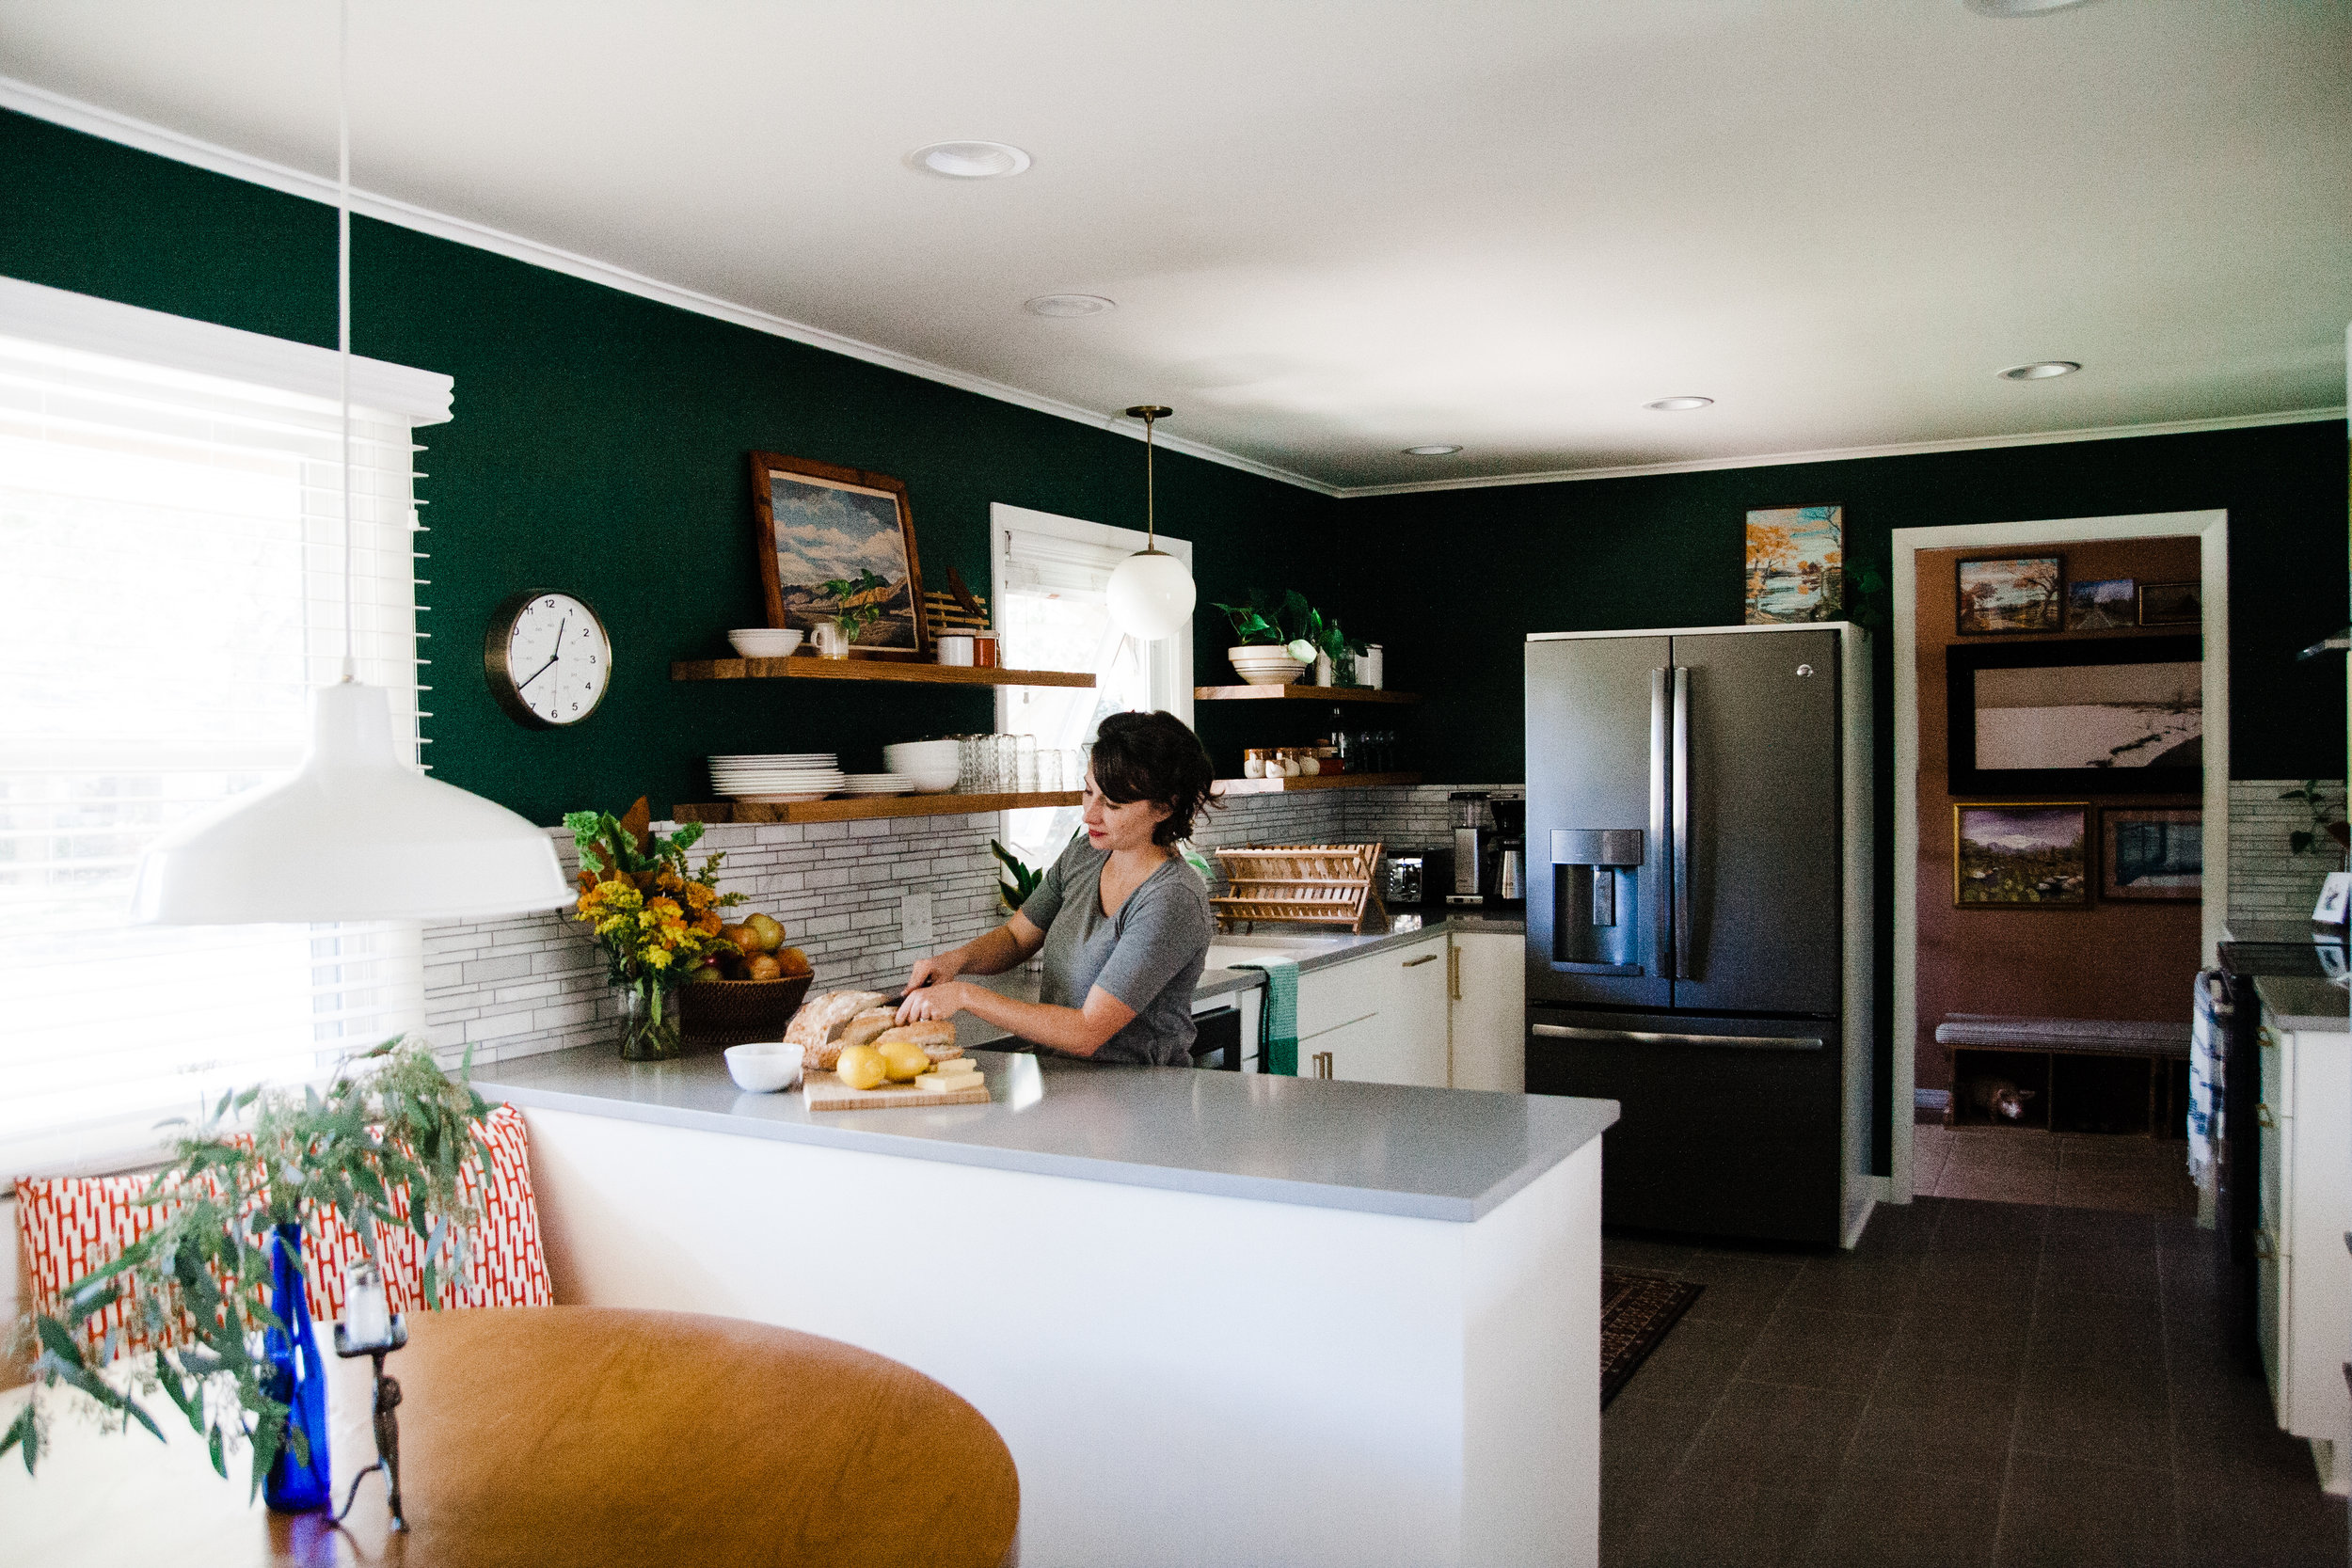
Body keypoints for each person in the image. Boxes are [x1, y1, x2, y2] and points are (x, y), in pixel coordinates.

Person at [896, 710, 1218, 1065]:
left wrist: (966, 996)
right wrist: (954, 961)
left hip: (1143, 1092)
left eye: (1112, 804)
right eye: (1088, 791)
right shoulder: (1084, 855)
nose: (1089, 814)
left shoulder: (1172, 898)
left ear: (1165, 807)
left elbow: (1086, 1032)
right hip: (1062, 1085)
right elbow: (1016, 938)